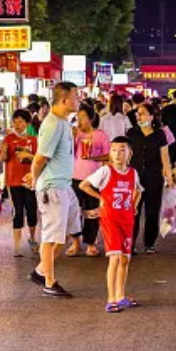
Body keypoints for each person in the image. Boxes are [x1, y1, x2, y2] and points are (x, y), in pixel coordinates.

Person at [25, 82, 82, 298]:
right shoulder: (52, 124)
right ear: (64, 100)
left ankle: (41, 271)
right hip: (53, 188)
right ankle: (49, 282)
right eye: (76, 96)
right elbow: (40, 158)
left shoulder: (64, 123)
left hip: (65, 185)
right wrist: (35, 178)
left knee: (68, 233)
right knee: (51, 237)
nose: (79, 99)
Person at [80, 136, 143, 313]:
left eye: (122, 150)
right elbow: (84, 185)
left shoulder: (133, 173)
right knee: (114, 257)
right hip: (110, 220)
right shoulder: (105, 172)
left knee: (125, 259)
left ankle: (121, 295)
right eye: (114, 150)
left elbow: (138, 190)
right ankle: (111, 298)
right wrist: (101, 199)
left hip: (127, 220)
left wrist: (134, 205)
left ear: (130, 153)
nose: (117, 154)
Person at [127, 103, 174, 254]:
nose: (139, 116)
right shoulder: (131, 133)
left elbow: (165, 158)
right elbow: (127, 156)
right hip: (134, 178)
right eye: (138, 113)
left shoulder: (160, 134)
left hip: (154, 177)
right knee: (133, 211)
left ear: (151, 116)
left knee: (152, 211)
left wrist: (169, 177)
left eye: (142, 113)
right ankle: (130, 243)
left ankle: (149, 243)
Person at [66, 105, 110, 258]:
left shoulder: (100, 135)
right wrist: (71, 138)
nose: (80, 120)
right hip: (75, 177)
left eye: (83, 117)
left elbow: (108, 155)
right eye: (78, 117)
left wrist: (94, 157)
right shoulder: (75, 133)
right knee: (74, 212)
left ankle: (90, 243)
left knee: (92, 212)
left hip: (94, 178)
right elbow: (67, 153)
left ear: (91, 118)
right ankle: (76, 242)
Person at [0, 109, 39, 257]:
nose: (17, 125)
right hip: (13, 181)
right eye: (15, 121)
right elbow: (3, 158)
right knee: (17, 211)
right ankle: (16, 245)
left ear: (27, 123)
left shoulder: (33, 140)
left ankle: (33, 238)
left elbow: (39, 158)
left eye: (21, 122)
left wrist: (28, 154)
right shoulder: (8, 139)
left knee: (31, 209)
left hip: (30, 180)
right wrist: (4, 151)